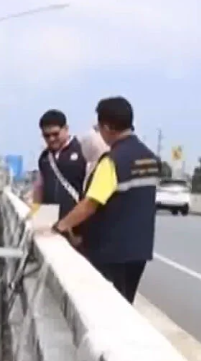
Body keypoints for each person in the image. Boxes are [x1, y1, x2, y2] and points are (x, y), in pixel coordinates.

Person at [48, 96, 159, 304]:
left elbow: (91, 203)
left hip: (111, 251)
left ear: (107, 127)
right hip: (140, 250)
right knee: (125, 303)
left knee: (107, 305)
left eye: (99, 128)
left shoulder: (114, 161)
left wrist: (61, 226)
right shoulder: (150, 158)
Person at [30, 110, 87, 221]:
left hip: (78, 224)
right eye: (47, 136)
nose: (51, 139)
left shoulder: (82, 151)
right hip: (50, 222)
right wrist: (35, 215)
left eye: (55, 134)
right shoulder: (44, 157)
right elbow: (39, 187)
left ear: (66, 129)